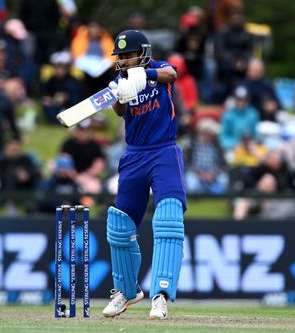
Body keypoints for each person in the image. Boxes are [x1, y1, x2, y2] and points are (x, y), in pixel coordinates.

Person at [101, 30, 186, 320]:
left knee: (168, 218)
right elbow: (118, 109)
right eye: (120, 57)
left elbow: (171, 75)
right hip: (134, 154)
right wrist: (121, 94)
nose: (124, 61)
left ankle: (160, 295)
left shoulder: (159, 68)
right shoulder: (118, 81)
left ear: (143, 53)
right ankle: (126, 291)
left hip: (163, 151)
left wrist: (144, 75)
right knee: (119, 225)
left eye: (129, 55)